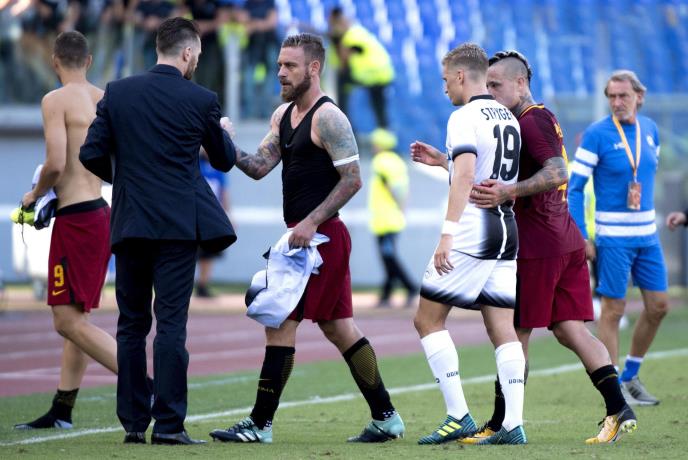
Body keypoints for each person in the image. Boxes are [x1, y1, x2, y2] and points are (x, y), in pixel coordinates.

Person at [209, 32, 404, 444]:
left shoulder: (329, 117)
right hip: (304, 238)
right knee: (340, 328)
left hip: (320, 239)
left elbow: (353, 180)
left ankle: (259, 424)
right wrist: (223, 142)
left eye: (290, 66)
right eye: (279, 64)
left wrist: (312, 222)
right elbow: (258, 166)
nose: (281, 72)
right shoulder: (282, 115)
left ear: (313, 68)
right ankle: (386, 418)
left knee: (280, 321)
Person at [463, 50, 636, 444]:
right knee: (569, 329)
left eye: (495, 85)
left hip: (539, 245)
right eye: (486, 86)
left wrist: (510, 191)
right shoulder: (532, 118)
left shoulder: (531, 120)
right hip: (563, 239)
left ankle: (503, 422)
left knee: (513, 333)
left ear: (521, 83)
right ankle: (618, 407)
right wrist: (446, 161)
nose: (489, 92)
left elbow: (558, 171)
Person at [79, 17, 237, 445]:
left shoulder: (118, 92)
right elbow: (223, 160)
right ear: (187, 52)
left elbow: (90, 153)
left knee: (131, 324)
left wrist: (127, 179)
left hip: (130, 222)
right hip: (177, 228)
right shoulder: (201, 98)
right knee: (170, 325)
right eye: (196, 55)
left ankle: (133, 423)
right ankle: (169, 425)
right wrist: (222, 133)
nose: (196, 62)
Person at [410, 43, 526, 446]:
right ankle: (513, 424)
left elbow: (465, 177)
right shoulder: (508, 116)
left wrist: (447, 234)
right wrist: (442, 160)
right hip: (506, 228)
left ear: (460, 76)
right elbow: (482, 171)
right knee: (502, 327)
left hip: (473, 230)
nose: (444, 88)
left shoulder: (462, 116)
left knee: (427, 320)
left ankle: (458, 414)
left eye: (446, 79)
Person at [13, 30, 117, 431]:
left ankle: (144, 385)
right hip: (101, 212)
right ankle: (62, 408)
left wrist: (34, 195)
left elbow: (56, 163)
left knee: (65, 321)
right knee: (78, 316)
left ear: (54, 61)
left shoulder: (54, 100)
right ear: (88, 61)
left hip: (76, 218)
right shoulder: (105, 99)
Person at [568, 70, 669, 406]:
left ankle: (631, 375)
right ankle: (614, 389)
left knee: (659, 306)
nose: (617, 102)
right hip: (613, 238)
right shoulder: (597, 134)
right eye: (611, 96)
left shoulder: (650, 130)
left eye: (623, 96)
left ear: (639, 96)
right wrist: (582, 235)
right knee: (613, 310)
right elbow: (575, 189)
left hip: (647, 236)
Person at [367, 127, 417, 308]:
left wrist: (397, 204)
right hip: (393, 217)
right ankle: (386, 294)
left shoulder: (381, 161)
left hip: (384, 219)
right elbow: (403, 189)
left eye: (374, 143)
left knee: (388, 258)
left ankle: (410, 287)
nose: (372, 147)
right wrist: (402, 209)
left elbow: (391, 186)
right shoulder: (397, 161)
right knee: (387, 258)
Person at [328, 6, 393, 130]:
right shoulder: (357, 31)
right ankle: (383, 132)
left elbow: (343, 59)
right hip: (380, 73)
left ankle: (343, 125)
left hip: (372, 73)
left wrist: (335, 40)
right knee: (378, 107)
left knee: (342, 85)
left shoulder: (351, 35)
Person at [195, 147, 231, 298]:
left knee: (208, 253)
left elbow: (224, 192)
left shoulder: (218, 168)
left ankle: (203, 285)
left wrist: (227, 215)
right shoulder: (195, 164)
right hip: (195, 214)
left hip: (211, 215)